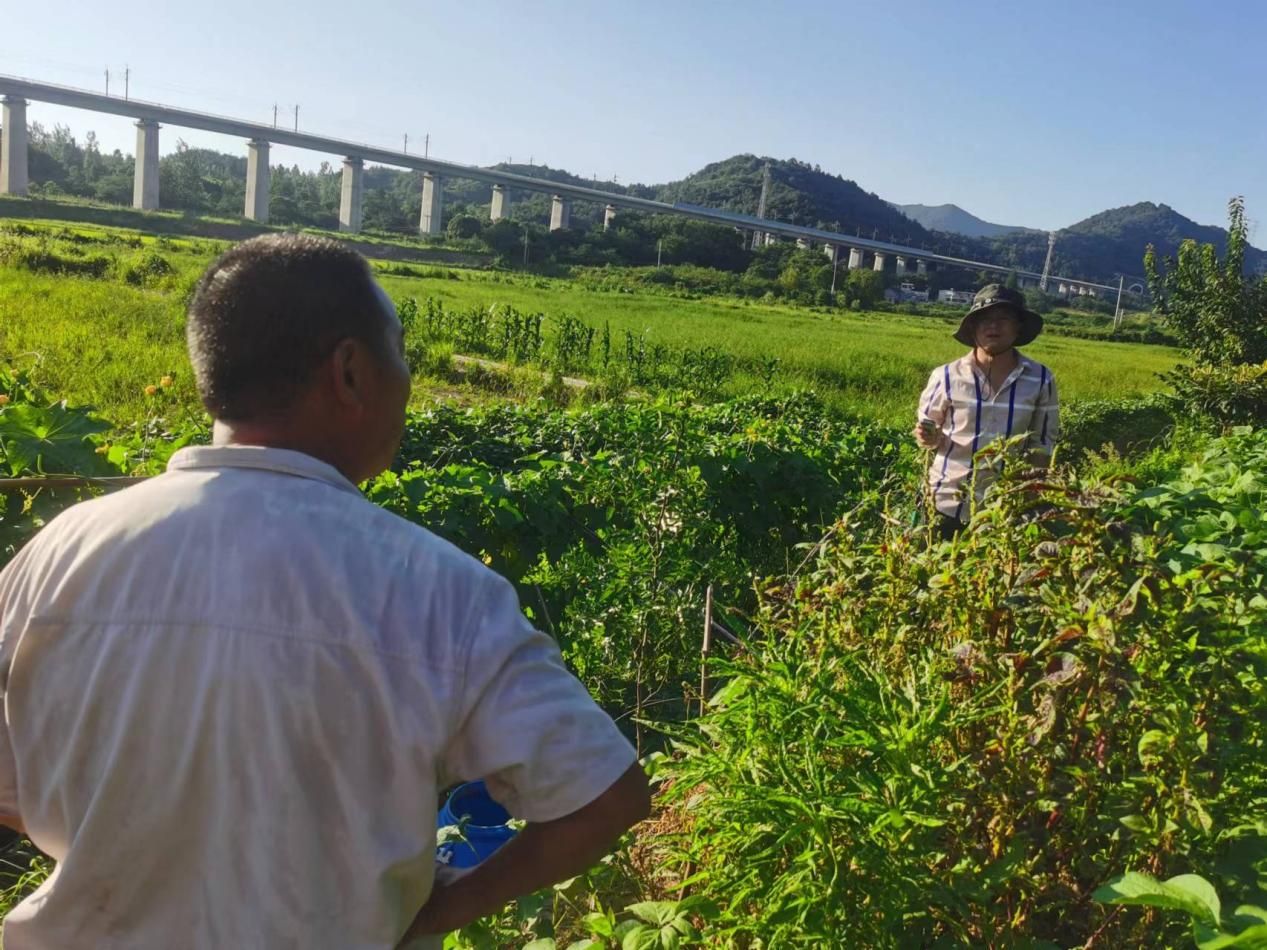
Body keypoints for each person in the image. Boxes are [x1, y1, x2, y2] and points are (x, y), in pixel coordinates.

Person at [0, 234, 649, 948]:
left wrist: (126, 844)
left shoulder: (57, 553)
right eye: (400, 352)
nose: (408, 379)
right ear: (349, 371)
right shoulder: (441, 592)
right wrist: (437, 910)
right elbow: (602, 796)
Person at [913, 283, 1059, 539]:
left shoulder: (1040, 379)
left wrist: (1031, 500)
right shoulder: (946, 376)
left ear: (1018, 327)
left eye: (1003, 318)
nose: (993, 326)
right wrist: (928, 437)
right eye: (984, 320)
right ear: (973, 328)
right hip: (944, 501)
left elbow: (1042, 444)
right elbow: (928, 433)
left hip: (1005, 508)